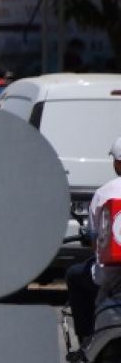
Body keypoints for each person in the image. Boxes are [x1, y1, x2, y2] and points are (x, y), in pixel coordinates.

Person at [68, 136, 121, 344]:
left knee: (73, 275)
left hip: (108, 276)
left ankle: (86, 338)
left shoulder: (104, 193)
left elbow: (94, 239)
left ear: (117, 162)